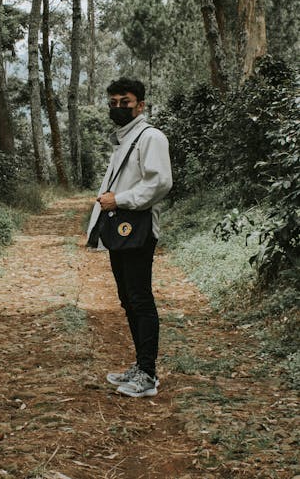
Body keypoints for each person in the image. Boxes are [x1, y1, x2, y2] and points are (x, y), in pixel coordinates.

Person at [86, 77, 172, 398]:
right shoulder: (125, 139)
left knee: (140, 299)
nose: (119, 107)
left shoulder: (151, 137)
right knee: (127, 299)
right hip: (120, 228)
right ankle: (141, 364)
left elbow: (160, 182)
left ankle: (148, 374)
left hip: (137, 227)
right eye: (114, 102)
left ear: (140, 105)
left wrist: (120, 200)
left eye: (126, 102)